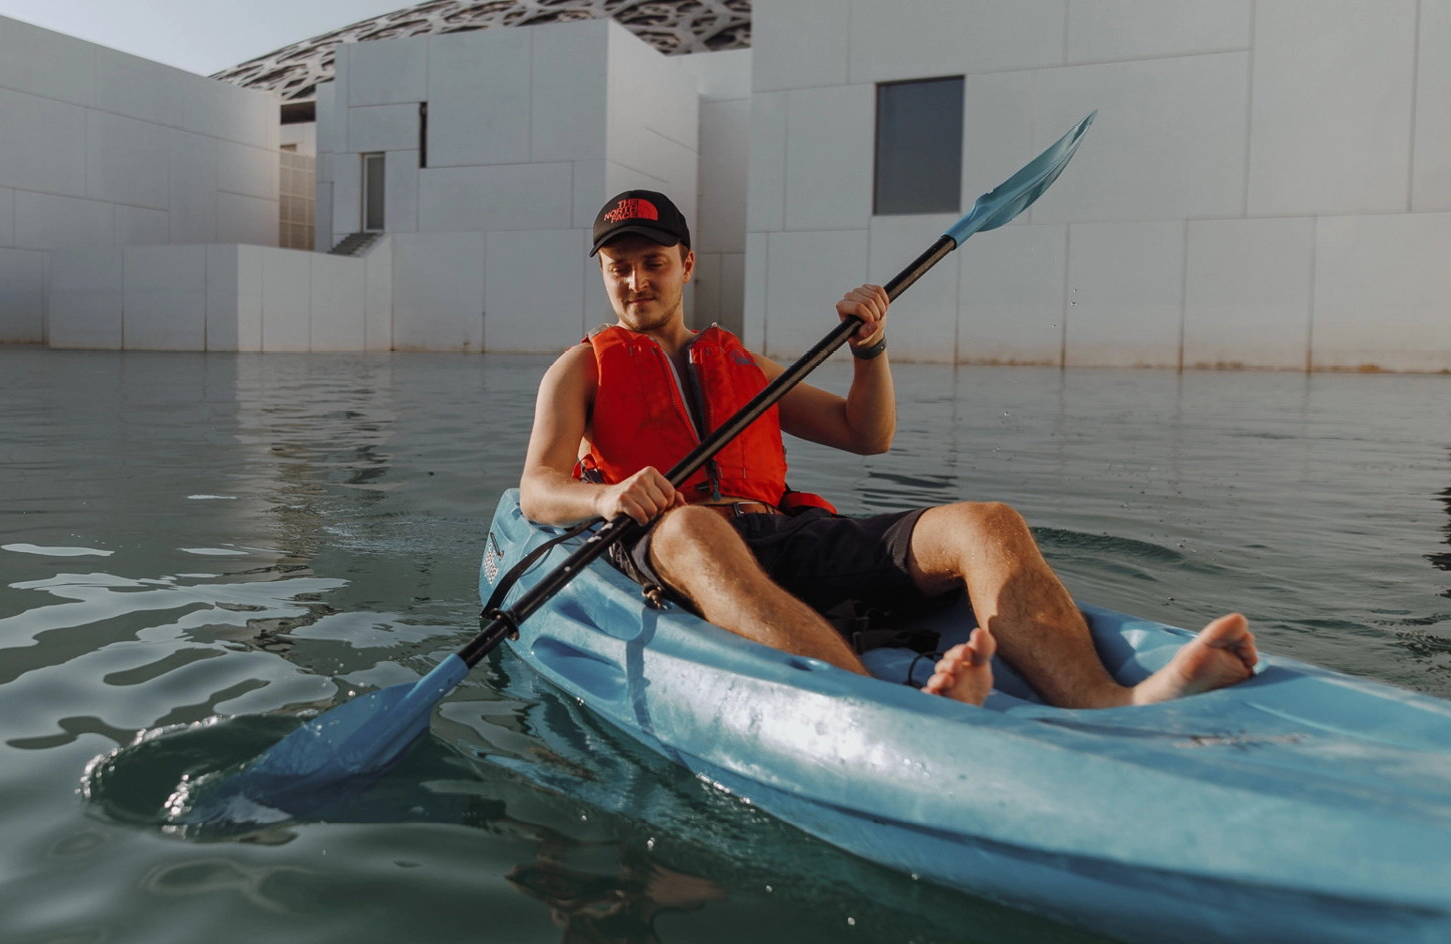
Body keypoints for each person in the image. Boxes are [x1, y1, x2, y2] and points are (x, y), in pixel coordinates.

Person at [518, 189, 1258, 707]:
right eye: (619, 267)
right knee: (689, 525)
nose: (636, 280)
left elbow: (865, 435)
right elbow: (537, 490)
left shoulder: (743, 365)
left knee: (987, 522)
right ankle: (883, 709)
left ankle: (1106, 699)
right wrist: (607, 495)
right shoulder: (581, 368)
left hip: (779, 536)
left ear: (686, 263)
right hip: (673, 547)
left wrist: (869, 348)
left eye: (652, 262)